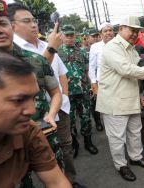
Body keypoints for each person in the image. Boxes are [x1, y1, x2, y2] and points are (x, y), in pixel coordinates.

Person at [7, 3, 86, 187]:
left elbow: (61, 73)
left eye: (34, 20)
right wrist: (51, 48)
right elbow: (34, 76)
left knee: (64, 148)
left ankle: (70, 181)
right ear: (11, 25)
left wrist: (64, 97)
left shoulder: (46, 43)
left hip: (59, 107)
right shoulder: (12, 50)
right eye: (27, 21)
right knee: (35, 158)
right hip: (34, 116)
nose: (34, 25)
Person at [0, 50, 71, 188]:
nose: (32, 110)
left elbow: (56, 182)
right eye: (18, 100)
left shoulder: (28, 131)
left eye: (32, 98)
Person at [96, 15, 144, 181]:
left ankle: (136, 157)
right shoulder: (112, 47)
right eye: (131, 30)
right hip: (115, 101)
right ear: (121, 29)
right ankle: (121, 165)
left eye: (137, 31)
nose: (134, 33)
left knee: (134, 131)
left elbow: (138, 66)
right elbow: (126, 69)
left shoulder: (132, 48)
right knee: (117, 137)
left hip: (131, 99)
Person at [58, 25, 98, 155]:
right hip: (67, 94)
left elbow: (87, 70)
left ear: (75, 36)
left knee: (86, 117)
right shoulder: (57, 53)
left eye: (71, 35)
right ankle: (74, 143)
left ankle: (88, 142)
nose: (69, 38)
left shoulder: (81, 52)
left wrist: (92, 85)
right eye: (67, 35)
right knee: (70, 120)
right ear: (62, 36)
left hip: (83, 92)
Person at [89, 22, 114, 132]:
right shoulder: (95, 47)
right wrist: (94, 83)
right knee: (107, 110)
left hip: (118, 81)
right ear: (100, 34)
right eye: (105, 31)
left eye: (110, 30)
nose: (108, 33)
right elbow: (92, 66)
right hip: (103, 83)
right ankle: (112, 133)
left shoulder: (118, 44)